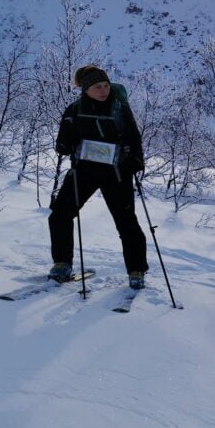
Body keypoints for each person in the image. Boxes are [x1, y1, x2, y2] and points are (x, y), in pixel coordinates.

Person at [48, 65, 148, 288]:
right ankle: (62, 263)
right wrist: (66, 138)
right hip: (84, 170)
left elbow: (134, 138)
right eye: (97, 87)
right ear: (85, 89)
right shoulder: (73, 110)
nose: (104, 90)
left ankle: (136, 270)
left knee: (126, 223)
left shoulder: (120, 108)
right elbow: (62, 146)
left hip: (117, 172)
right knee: (60, 214)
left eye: (106, 85)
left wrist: (135, 162)